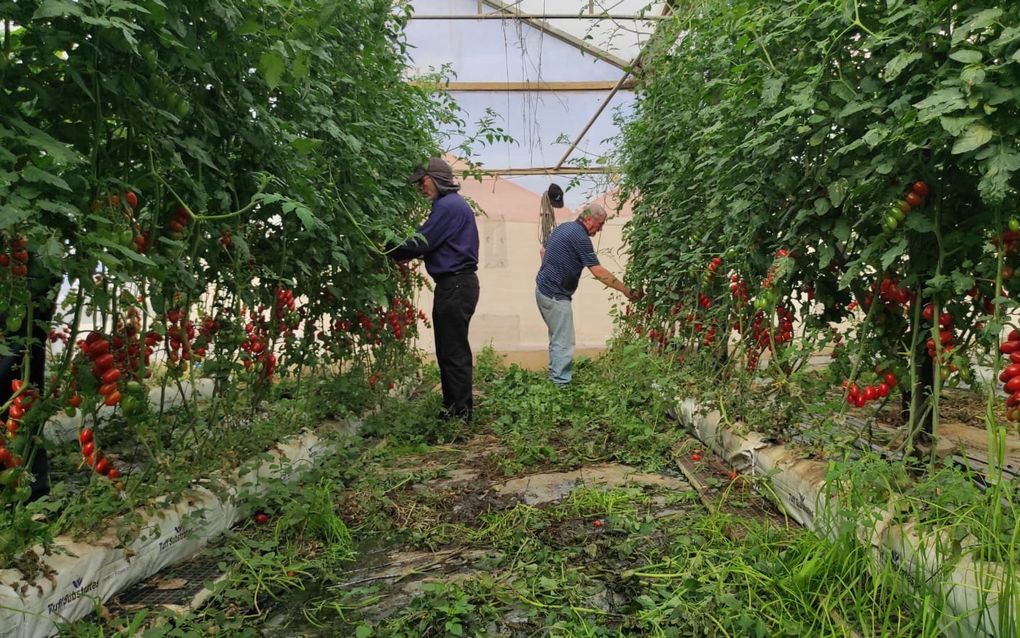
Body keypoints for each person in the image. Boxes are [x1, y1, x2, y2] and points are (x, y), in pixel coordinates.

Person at [389, 157, 480, 421]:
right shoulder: (449, 205)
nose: (420, 187)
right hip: (455, 284)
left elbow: (421, 242)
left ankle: (461, 414)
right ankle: (452, 408)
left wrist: (388, 250)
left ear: (437, 177)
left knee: (453, 350)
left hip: (456, 284)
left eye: (422, 181)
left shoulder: (448, 206)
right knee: (448, 348)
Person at [535, 202, 638, 387]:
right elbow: (598, 271)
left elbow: (544, 251)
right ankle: (560, 386)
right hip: (555, 295)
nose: (600, 229)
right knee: (564, 343)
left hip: (543, 290)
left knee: (557, 338)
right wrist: (626, 290)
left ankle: (555, 379)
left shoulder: (564, 228)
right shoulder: (580, 237)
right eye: (600, 224)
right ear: (589, 219)